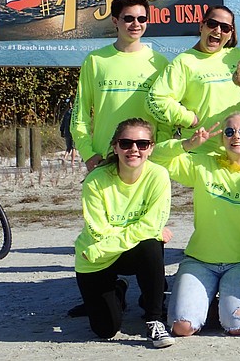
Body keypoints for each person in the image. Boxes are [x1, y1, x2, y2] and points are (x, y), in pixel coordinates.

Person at [150, 112, 240, 337]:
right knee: (182, 327)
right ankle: (207, 302)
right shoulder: (204, 164)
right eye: (229, 132)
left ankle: (219, 303)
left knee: (237, 326)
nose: (236, 137)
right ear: (222, 139)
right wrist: (187, 144)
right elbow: (155, 157)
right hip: (200, 262)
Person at [73, 118, 175, 348]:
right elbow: (98, 232)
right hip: (96, 257)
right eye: (126, 143)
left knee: (150, 244)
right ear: (115, 146)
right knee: (105, 330)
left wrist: (152, 231)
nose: (134, 149)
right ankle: (118, 289)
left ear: (151, 148)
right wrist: (148, 230)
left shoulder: (158, 175)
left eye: (142, 143)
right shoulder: (95, 180)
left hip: (112, 250)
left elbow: (151, 226)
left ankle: (154, 320)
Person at [147, 5, 240, 154]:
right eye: (212, 24)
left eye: (225, 28)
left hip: (239, 154)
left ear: (231, 33)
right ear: (201, 26)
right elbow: (155, 99)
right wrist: (188, 119)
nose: (218, 30)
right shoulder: (184, 61)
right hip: (201, 154)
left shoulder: (239, 57)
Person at [71, 0, 169, 173]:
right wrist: (88, 153)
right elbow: (79, 117)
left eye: (142, 18)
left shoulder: (160, 63)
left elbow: (165, 119)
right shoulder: (95, 60)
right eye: (129, 18)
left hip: (146, 163)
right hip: (104, 161)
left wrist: (157, 153)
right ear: (115, 21)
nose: (136, 24)